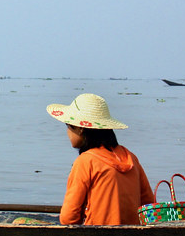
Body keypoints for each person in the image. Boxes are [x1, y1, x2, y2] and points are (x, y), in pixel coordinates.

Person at [46, 93, 155, 225]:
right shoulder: (130, 157)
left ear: (80, 128)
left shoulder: (85, 162)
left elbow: (69, 218)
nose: (68, 132)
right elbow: (149, 205)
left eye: (68, 126)